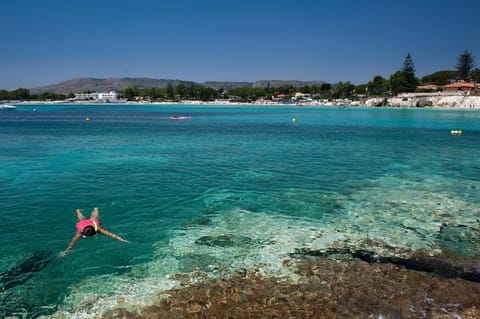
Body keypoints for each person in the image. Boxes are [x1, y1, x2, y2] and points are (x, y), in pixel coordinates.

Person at [61, 207, 127, 256]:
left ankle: (78, 211)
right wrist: (120, 239)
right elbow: (110, 234)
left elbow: (72, 243)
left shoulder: (80, 233)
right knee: (94, 217)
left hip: (83, 223)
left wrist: (66, 251)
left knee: (81, 218)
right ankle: (95, 209)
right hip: (90, 222)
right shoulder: (97, 229)